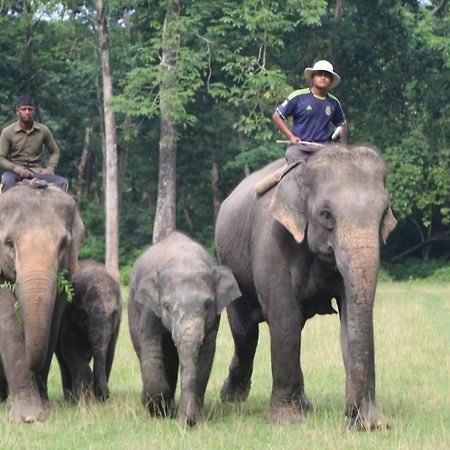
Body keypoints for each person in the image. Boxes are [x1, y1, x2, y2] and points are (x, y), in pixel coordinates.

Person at [272, 60, 347, 165]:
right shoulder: (298, 96)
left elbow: (342, 124)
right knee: (293, 160)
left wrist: (338, 135)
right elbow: (277, 116)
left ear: (330, 81)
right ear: (312, 77)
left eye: (327, 75)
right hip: (300, 148)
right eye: (319, 74)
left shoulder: (333, 102)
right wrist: (291, 137)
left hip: (323, 149)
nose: (323, 77)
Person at [0, 95, 68, 192]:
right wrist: (18, 169)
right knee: (6, 182)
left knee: (63, 183)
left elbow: (55, 151)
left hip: (37, 172)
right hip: (14, 173)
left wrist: (50, 168)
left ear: (34, 112)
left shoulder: (43, 130)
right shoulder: (7, 132)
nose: (27, 112)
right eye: (24, 109)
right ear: (17, 111)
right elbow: (1, 157)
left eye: (30, 109)